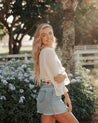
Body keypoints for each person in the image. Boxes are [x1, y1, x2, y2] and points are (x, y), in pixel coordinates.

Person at [32, 23, 79, 123]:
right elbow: (58, 78)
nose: (48, 37)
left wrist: (64, 75)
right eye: (44, 35)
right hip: (51, 95)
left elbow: (59, 75)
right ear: (40, 38)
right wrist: (66, 96)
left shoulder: (43, 52)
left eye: (50, 33)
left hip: (45, 94)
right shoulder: (48, 51)